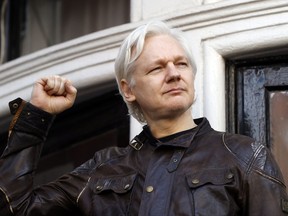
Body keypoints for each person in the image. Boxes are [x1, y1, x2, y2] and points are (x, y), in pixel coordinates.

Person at [0, 21, 287, 216]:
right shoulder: (102, 170)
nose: (174, 73)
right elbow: (15, 208)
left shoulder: (245, 156)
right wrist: (36, 116)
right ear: (128, 89)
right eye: (157, 68)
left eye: (182, 64)